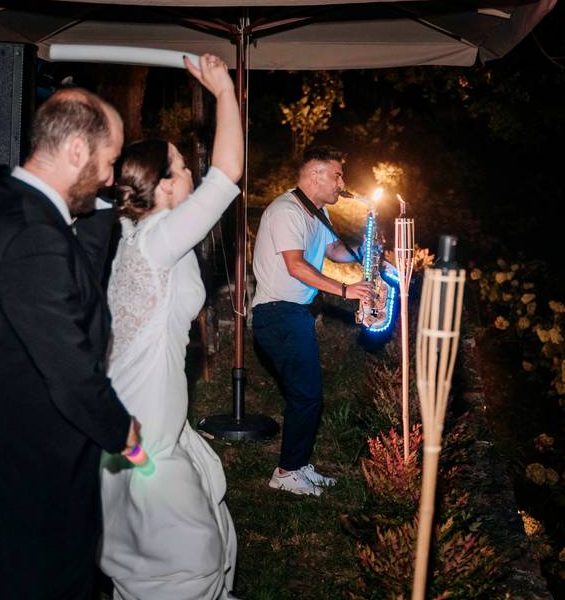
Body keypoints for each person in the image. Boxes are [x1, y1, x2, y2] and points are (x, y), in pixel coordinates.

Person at [0, 87, 140, 599]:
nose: (110, 176)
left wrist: (100, 204)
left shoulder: (7, 206)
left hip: (13, 455)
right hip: (35, 471)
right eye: (109, 160)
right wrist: (126, 434)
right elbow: (69, 370)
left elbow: (78, 270)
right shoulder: (30, 235)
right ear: (77, 151)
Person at [98, 54, 241, 600]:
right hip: (144, 435)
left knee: (190, 548)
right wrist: (225, 93)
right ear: (161, 186)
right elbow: (227, 174)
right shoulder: (157, 239)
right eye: (182, 168)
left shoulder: (139, 236)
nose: (192, 174)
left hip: (144, 420)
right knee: (182, 563)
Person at [250, 146, 375, 496]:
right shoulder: (287, 210)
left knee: (308, 395)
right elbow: (297, 265)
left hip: (293, 313)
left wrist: (364, 249)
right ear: (315, 175)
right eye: (336, 174)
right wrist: (346, 290)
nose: (342, 183)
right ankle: (286, 472)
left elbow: (332, 250)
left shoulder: (317, 213)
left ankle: (299, 465)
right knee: (306, 396)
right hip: (277, 312)